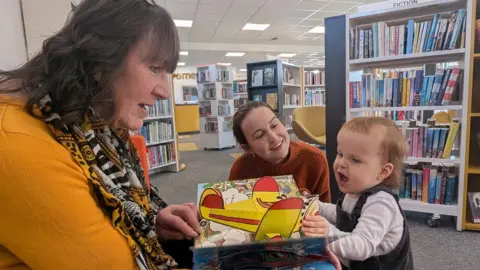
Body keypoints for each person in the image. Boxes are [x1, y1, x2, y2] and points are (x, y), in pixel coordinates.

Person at [0, 1, 200, 269]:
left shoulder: (93, 121)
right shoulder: (18, 145)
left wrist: (151, 223)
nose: (164, 90)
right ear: (100, 59)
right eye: (154, 68)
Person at [301, 117, 414, 270]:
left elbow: (362, 245)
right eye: (340, 154)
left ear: (382, 171)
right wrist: (316, 205)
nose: (341, 163)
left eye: (355, 160)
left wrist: (328, 233)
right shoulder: (355, 191)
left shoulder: (381, 204)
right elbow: (343, 214)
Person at [229, 101, 331, 202]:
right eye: (260, 135)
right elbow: (233, 213)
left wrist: (308, 204)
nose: (274, 137)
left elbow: (325, 214)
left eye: (274, 125)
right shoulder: (241, 169)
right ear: (248, 149)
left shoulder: (315, 160)